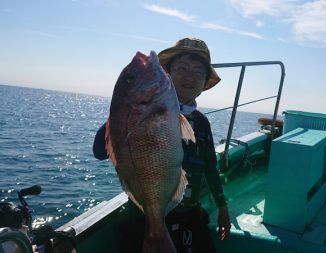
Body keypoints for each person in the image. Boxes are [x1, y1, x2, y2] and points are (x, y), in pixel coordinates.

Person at [93, 37, 231, 253]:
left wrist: (223, 207)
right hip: (143, 215)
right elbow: (99, 151)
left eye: (198, 72)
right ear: (168, 73)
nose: (189, 77)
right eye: (182, 68)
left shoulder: (202, 124)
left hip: (188, 214)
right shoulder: (137, 111)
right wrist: (123, 114)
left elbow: (210, 166)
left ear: (205, 82)